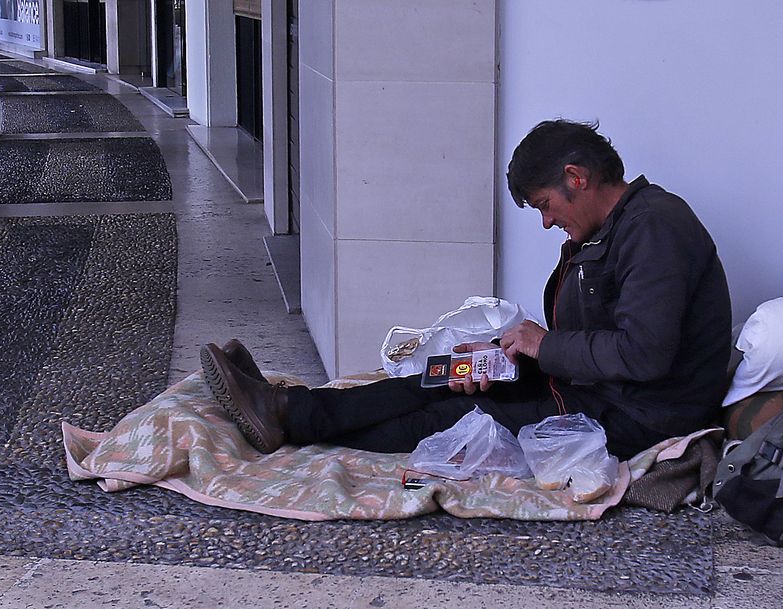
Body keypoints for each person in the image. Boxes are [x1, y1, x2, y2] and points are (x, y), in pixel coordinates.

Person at [202, 119, 733, 458]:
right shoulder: (612, 231)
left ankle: (290, 425)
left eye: (545, 204)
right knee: (437, 379)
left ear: (577, 176)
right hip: (597, 389)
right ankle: (288, 408)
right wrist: (509, 354)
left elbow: (644, 353)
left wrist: (543, 346)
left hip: (637, 416)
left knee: (449, 419)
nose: (547, 222)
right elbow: (603, 339)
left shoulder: (655, 228)